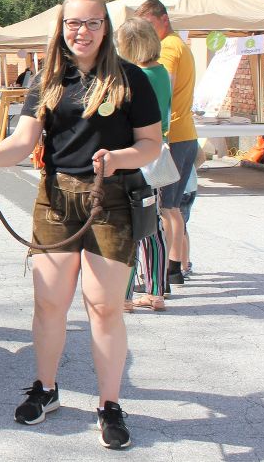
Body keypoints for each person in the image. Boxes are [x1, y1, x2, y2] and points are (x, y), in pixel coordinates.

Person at [0, 0, 162, 450]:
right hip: (55, 200)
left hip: (111, 202)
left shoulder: (131, 80)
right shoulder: (48, 80)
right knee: (49, 304)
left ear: (105, 27)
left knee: (103, 307)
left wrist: (120, 157)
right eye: (73, 23)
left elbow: (152, 145)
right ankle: (46, 390)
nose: (82, 31)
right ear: (61, 27)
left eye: (92, 22)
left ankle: (109, 404)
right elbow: (24, 141)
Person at [135, 0, 199, 286]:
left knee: (165, 208)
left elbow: (164, 91)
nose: (146, 31)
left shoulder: (169, 48)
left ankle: (169, 268)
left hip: (170, 138)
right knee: (171, 207)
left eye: (149, 24)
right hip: (184, 135)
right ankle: (176, 265)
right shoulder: (179, 44)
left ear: (163, 19)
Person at [116, 17, 172, 312]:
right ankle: (156, 289)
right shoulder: (162, 72)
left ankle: (124, 295)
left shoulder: (136, 76)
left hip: (137, 155)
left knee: (131, 224)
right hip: (157, 152)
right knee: (152, 223)